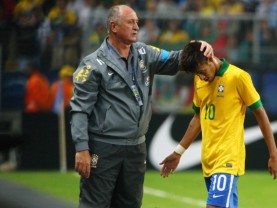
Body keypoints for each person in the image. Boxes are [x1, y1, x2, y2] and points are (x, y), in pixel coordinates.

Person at [69, 4, 213, 208]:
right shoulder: (92, 64)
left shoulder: (145, 53)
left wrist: (199, 47)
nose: (137, 26)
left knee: (131, 204)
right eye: (131, 22)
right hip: (104, 147)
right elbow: (79, 110)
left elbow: (176, 59)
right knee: (95, 204)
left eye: (137, 22)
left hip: (136, 147)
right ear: (114, 26)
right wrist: (82, 148)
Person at [159, 41, 277, 208]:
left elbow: (261, 114)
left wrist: (274, 154)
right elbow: (198, 118)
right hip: (209, 159)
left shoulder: (238, 77)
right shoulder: (199, 79)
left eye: (202, 71)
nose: (201, 77)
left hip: (228, 159)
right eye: (197, 73)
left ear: (210, 58)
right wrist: (178, 152)